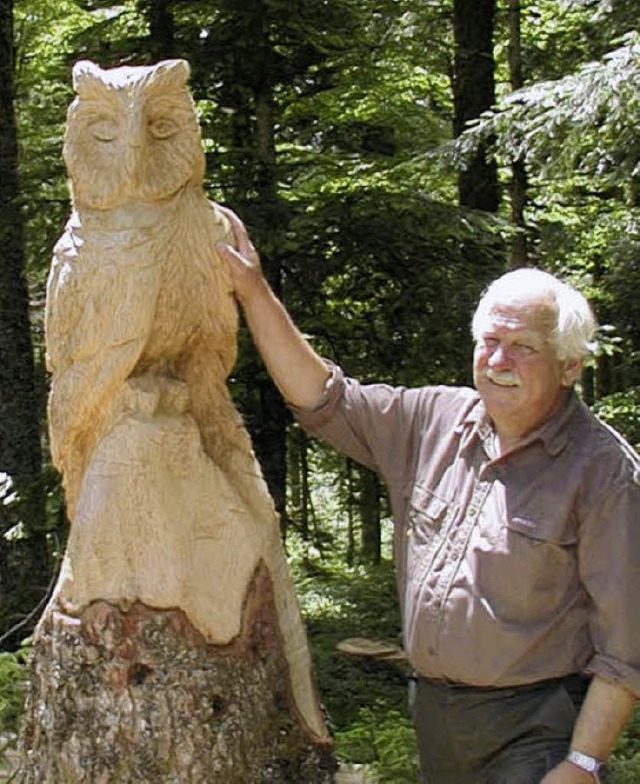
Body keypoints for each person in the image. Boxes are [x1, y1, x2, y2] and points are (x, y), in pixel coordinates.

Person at [216, 207, 640, 784]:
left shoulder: (605, 473)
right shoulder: (434, 421)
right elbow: (324, 400)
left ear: (569, 367)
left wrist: (582, 764)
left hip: (536, 733)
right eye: (490, 341)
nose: (498, 362)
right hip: (437, 724)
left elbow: (628, 644)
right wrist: (253, 289)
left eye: (523, 347)